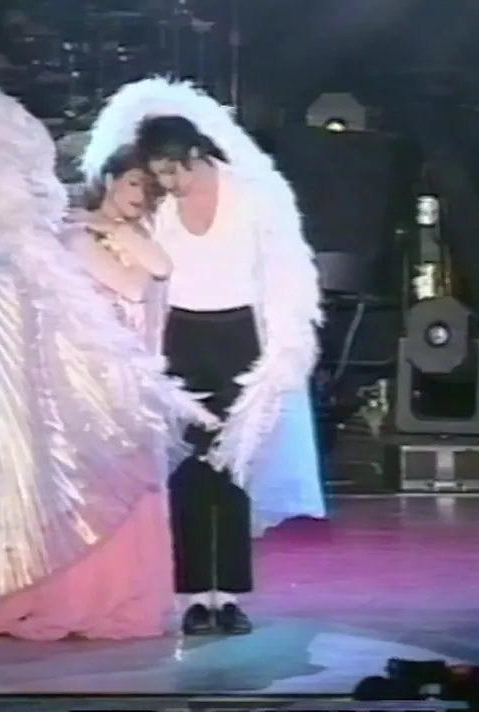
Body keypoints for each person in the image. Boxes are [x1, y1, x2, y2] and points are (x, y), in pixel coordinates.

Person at [0, 80, 217, 640]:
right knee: (94, 488)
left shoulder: (121, 231)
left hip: (133, 378)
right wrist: (101, 229)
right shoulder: (73, 236)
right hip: (91, 382)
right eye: (133, 183)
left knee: (138, 489)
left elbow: (160, 266)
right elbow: (131, 282)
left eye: (150, 190)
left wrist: (112, 228)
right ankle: (77, 596)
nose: (141, 195)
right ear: (110, 179)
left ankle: (124, 595)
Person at [80, 79, 328, 636]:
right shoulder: (160, 205)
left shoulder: (251, 193)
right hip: (182, 335)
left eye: (172, 170)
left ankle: (228, 596)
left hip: (239, 334)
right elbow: (125, 233)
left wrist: (283, 346)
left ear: (195, 153)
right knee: (189, 466)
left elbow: (283, 269)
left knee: (233, 463)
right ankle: (194, 596)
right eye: (158, 173)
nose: (166, 183)